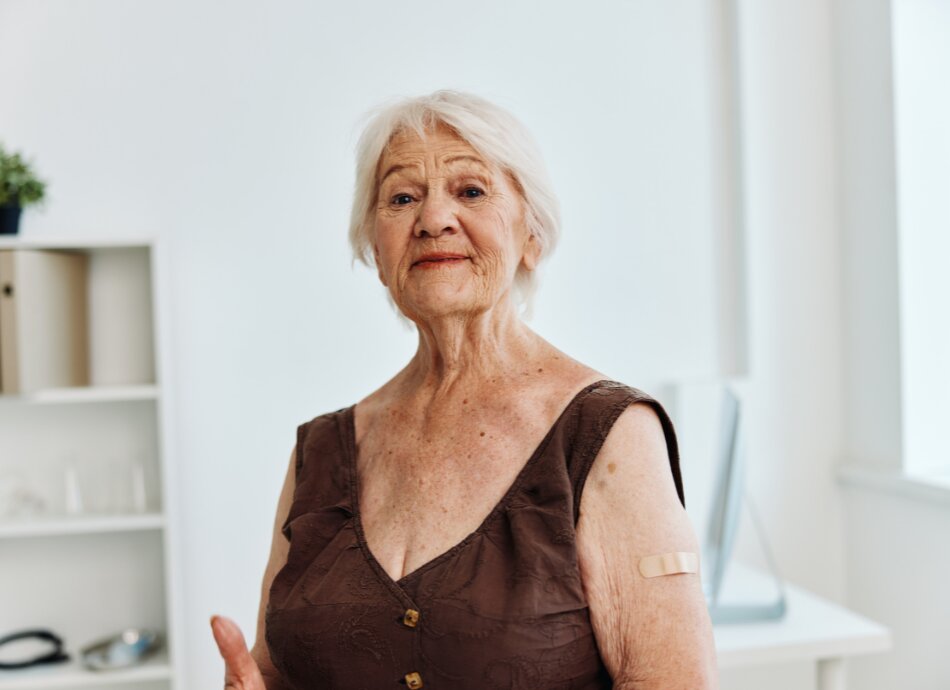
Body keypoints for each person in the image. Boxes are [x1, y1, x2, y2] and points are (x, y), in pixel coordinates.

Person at [211, 89, 718, 689]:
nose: (432, 220)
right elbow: (277, 674)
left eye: (471, 191)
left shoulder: (609, 437)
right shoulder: (321, 451)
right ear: (377, 249)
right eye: (401, 198)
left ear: (531, 235)